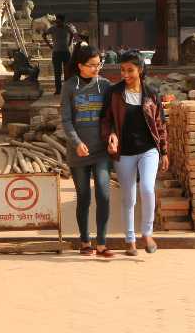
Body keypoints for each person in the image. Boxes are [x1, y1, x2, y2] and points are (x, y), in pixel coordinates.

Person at [103, 50, 168, 256]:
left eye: (130, 70)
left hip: (148, 149)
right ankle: (129, 240)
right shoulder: (114, 93)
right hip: (124, 152)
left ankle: (147, 233)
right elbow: (106, 120)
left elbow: (160, 124)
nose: (125, 74)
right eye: (122, 70)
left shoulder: (151, 93)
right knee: (128, 197)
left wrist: (164, 151)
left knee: (148, 189)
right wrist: (110, 136)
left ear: (140, 70)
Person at [59, 43, 113, 258]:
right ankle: (85, 241)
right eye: (92, 65)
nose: (96, 69)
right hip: (78, 151)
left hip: (101, 151)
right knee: (83, 196)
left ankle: (102, 243)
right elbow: (66, 119)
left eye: (99, 64)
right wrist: (76, 142)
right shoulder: (69, 86)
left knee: (104, 192)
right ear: (80, 65)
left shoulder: (106, 85)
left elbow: (111, 117)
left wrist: (114, 135)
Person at [44, 15, 78, 94]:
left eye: (59, 22)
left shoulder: (67, 27)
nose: (57, 23)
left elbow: (72, 34)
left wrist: (69, 42)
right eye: (57, 22)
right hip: (56, 52)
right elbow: (44, 35)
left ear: (63, 21)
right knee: (57, 72)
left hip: (65, 52)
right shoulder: (53, 28)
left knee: (67, 72)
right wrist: (49, 45)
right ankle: (58, 90)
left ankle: (67, 89)